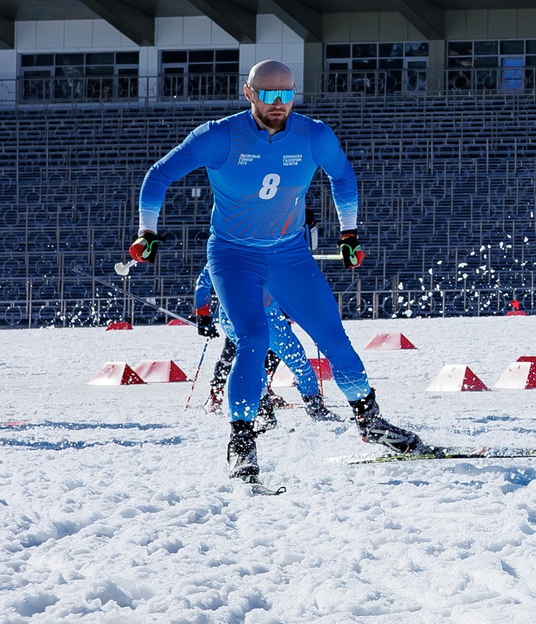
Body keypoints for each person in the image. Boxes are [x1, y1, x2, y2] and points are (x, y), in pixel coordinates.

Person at [131, 59, 420, 487]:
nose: (278, 103)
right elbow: (159, 175)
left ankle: (369, 420)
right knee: (253, 338)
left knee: (333, 338)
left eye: (286, 94)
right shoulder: (219, 136)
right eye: (267, 95)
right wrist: (146, 230)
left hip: (290, 255)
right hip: (234, 255)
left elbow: (342, 176)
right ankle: (242, 443)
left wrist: (350, 233)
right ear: (248, 93)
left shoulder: (313, 135)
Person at [195, 265, 334, 429]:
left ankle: (314, 405)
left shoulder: (273, 244)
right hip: (236, 316)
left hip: (270, 314)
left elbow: (297, 277)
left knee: (297, 359)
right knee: (254, 360)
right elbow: (204, 279)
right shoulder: (227, 245)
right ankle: (263, 411)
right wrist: (202, 314)